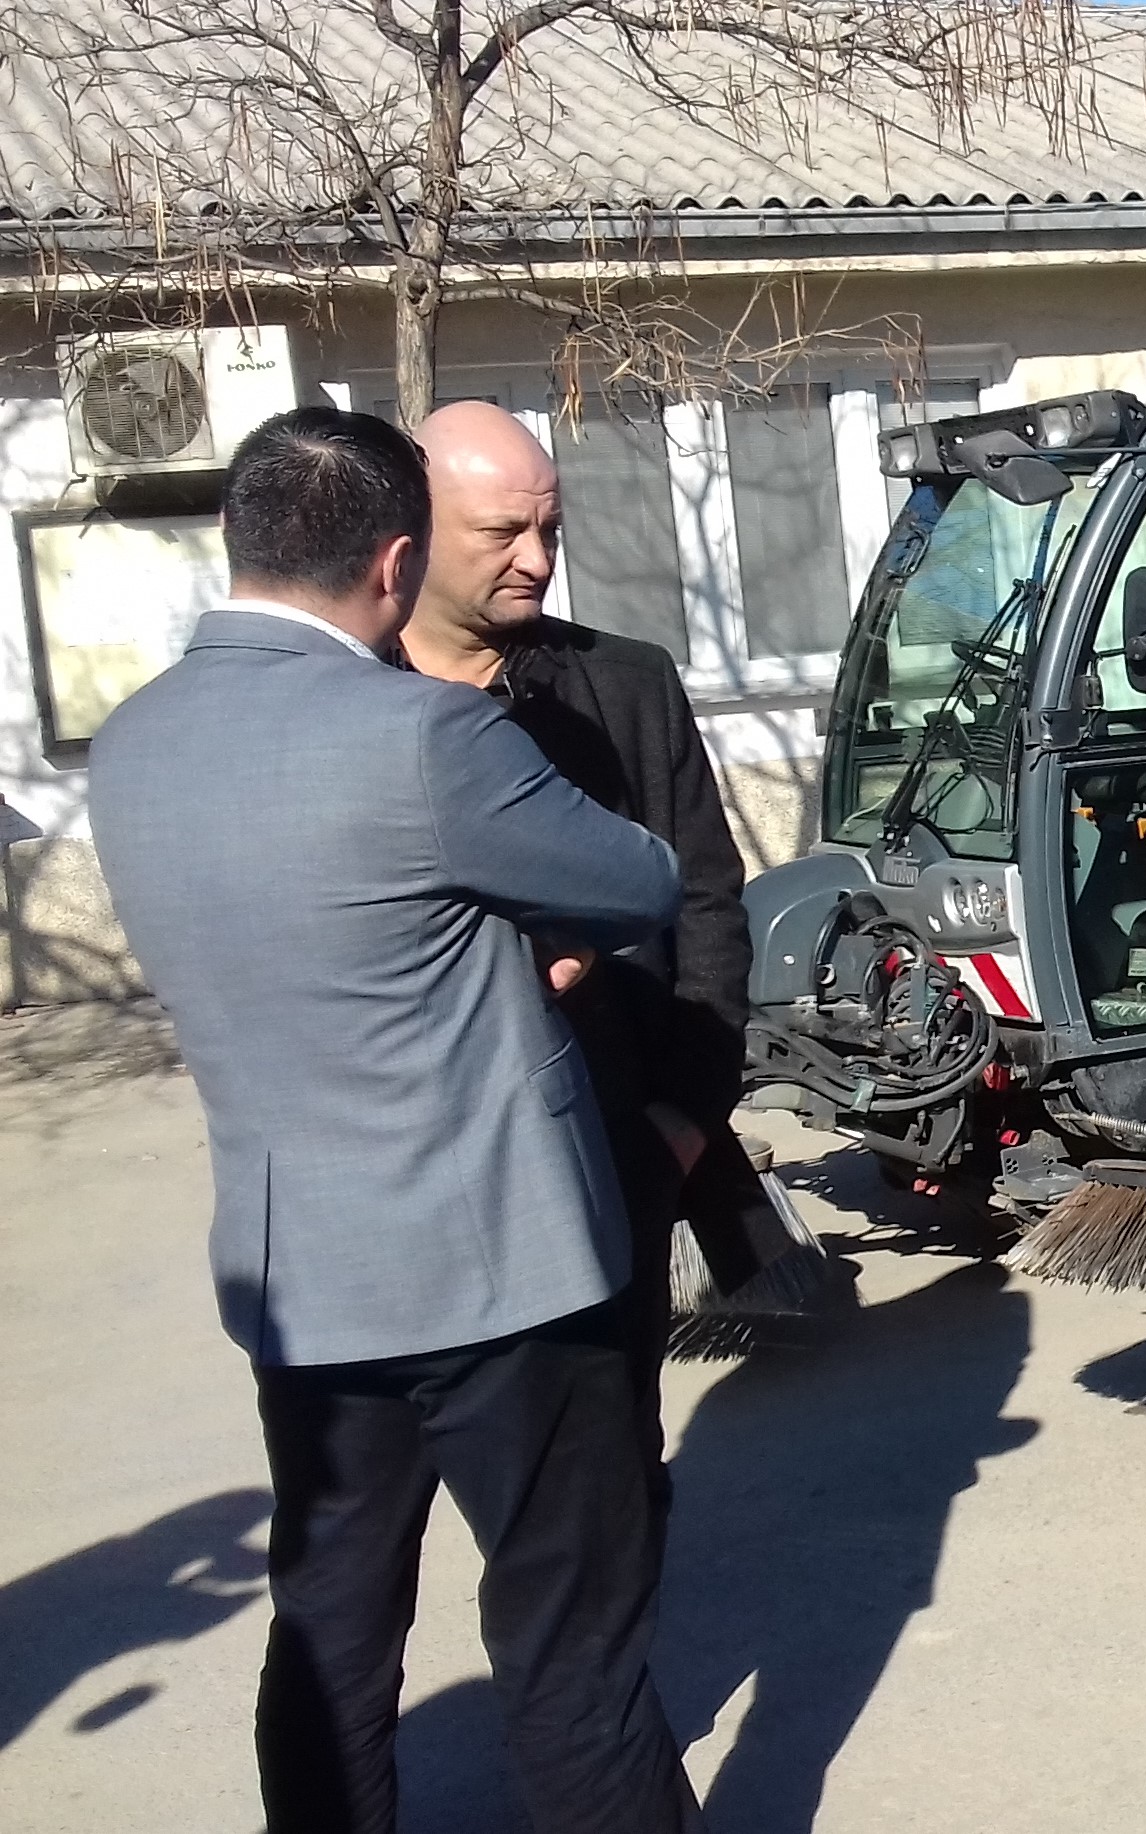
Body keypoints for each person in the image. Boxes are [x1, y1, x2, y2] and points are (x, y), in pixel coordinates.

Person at [87, 406, 701, 1834]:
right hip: (505, 1279)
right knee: (571, 1652)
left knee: (329, 1633)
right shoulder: (426, 734)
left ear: (236, 538)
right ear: (394, 562)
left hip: (302, 1280)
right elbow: (640, 880)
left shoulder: (132, 741)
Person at [399, 400, 769, 1421]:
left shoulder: (625, 685)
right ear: (410, 530)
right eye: (501, 532)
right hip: (420, 1173)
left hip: (612, 1155)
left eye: (550, 529)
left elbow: (706, 901)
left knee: (608, 1465)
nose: (536, 559)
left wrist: (683, 1121)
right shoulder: (345, 703)